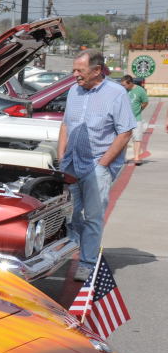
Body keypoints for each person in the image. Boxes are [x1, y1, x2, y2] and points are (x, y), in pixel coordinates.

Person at [57, 51, 135, 282]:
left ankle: (87, 263)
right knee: (68, 214)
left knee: (92, 217)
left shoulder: (116, 93)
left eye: (80, 70)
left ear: (97, 70)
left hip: (97, 167)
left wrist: (103, 165)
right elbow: (65, 125)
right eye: (74, 70)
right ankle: (78, 247)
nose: (75, 75)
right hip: (70, 164)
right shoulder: (74, 91)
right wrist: (61, 157)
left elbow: (125, 132)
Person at [121, 75, 149, 164]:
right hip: (124, 119)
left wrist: (139, 110)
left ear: (130, 83)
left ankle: (136, 158)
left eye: (124, 85)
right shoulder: (122, 90)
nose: (123, 87)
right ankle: (123, 158)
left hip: (136, 119)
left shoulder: (140, 90)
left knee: (137, 138)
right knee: (124, 139)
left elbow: (145, 102)